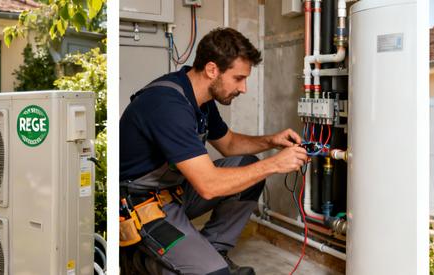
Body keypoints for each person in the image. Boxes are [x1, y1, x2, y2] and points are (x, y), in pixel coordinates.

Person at [119, 27, 309, 275]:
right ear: (212, 70)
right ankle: (138, 260)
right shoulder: (167, 104)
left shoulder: (201, 100)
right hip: (141, 206)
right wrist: (274, 164)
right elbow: (208, 185)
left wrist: (271, 141)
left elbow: (229, 144)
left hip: (174, 193)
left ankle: (214, 251)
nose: (244, 88)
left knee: (247, 167)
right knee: (214, 273)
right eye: (238, 78)